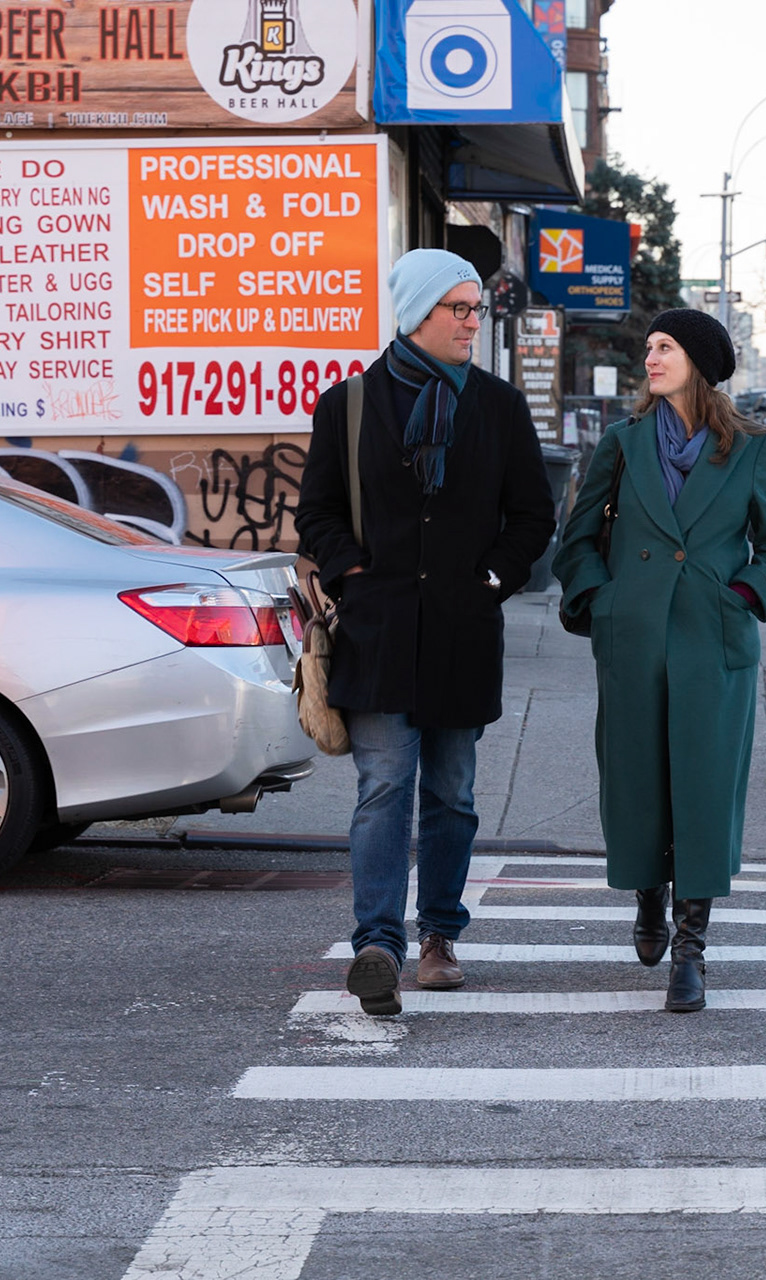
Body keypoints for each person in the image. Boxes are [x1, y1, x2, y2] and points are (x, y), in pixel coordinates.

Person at [295, 248, 556, 1017]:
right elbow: (317, 512)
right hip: (376, 633)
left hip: (461, 631)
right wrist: (353, 575)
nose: (473, 323)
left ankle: (440, 935)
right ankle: (378, 944)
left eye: (479, 310)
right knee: (383, 789)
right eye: (460, 309)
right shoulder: (345, 406)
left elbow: (534, 517)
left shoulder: (499, 408)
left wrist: (490, 579)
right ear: (415, 313)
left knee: (452, 793)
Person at [553, 309, 766, 1012]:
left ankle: (691, 950)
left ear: (697, 361)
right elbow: (574, 540)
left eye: (663, 348)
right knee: (637, 782)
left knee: (704, 788)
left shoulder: (750, 448)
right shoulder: (624, 443)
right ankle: (647, 896)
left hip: (712, 641)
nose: (650, 358)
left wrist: (744, 596)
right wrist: (603, 602)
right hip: (633, 638)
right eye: (649, 348)